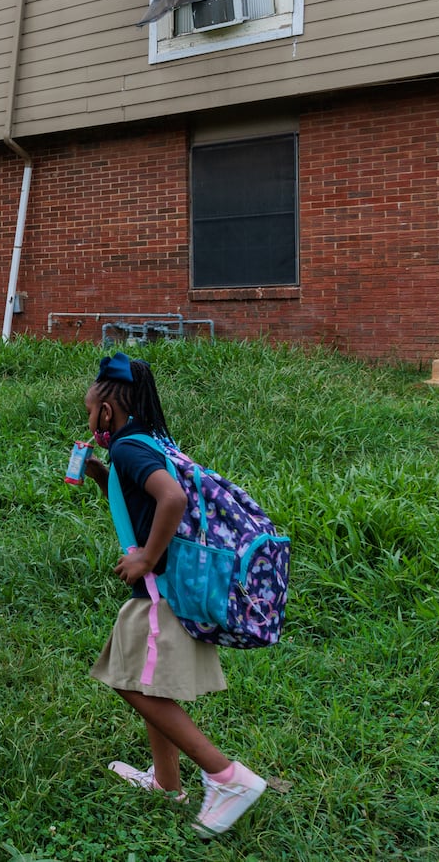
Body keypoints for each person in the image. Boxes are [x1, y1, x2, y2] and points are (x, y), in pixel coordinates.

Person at [78, 351, 267, 837]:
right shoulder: (147, 441)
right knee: (148, 682)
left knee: (130, 682)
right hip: (165, 585)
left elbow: (174, 499)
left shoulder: (128, 449)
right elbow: (147, 503)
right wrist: (105, 480)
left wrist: (143, 558)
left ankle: (227, 777)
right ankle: (166, 783)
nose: (88, 414)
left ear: (106, 411)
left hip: (157, 590)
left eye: (89, 407)